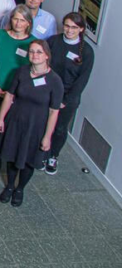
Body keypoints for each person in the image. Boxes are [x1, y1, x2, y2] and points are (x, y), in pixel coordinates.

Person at [0, 40, 63, 207]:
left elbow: (54, 112)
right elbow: (9, 96)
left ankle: (20, 189)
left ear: (46, 55)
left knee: (28, 160)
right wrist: (1, 118)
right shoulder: (21, 72)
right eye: (31, 51)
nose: (34, 55)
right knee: (12, 155)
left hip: (36, 127)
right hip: (16, 121)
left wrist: (47, 137)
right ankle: (10, 186)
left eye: (39, 52)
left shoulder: (55, 81)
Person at [45, 13, 94, 174]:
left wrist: (65, 100)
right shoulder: (53, 41)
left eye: (74, 27)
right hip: (48, 91)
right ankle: (41, 152)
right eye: (67, 25)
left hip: (68, 97)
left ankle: (53, 155)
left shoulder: (86, 52)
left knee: (59, 128)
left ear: (81, 29)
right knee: (42, 123)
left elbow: (82, 80)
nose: (69, 30)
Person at [0, 4, 36, 168]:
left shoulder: (32, 43)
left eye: (22, 20)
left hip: (14, 92)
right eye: (15, 19)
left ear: (28, 23)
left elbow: (31, 71)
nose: (18, 23)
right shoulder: (0, 35)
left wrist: (12, 92)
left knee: (4, 123)